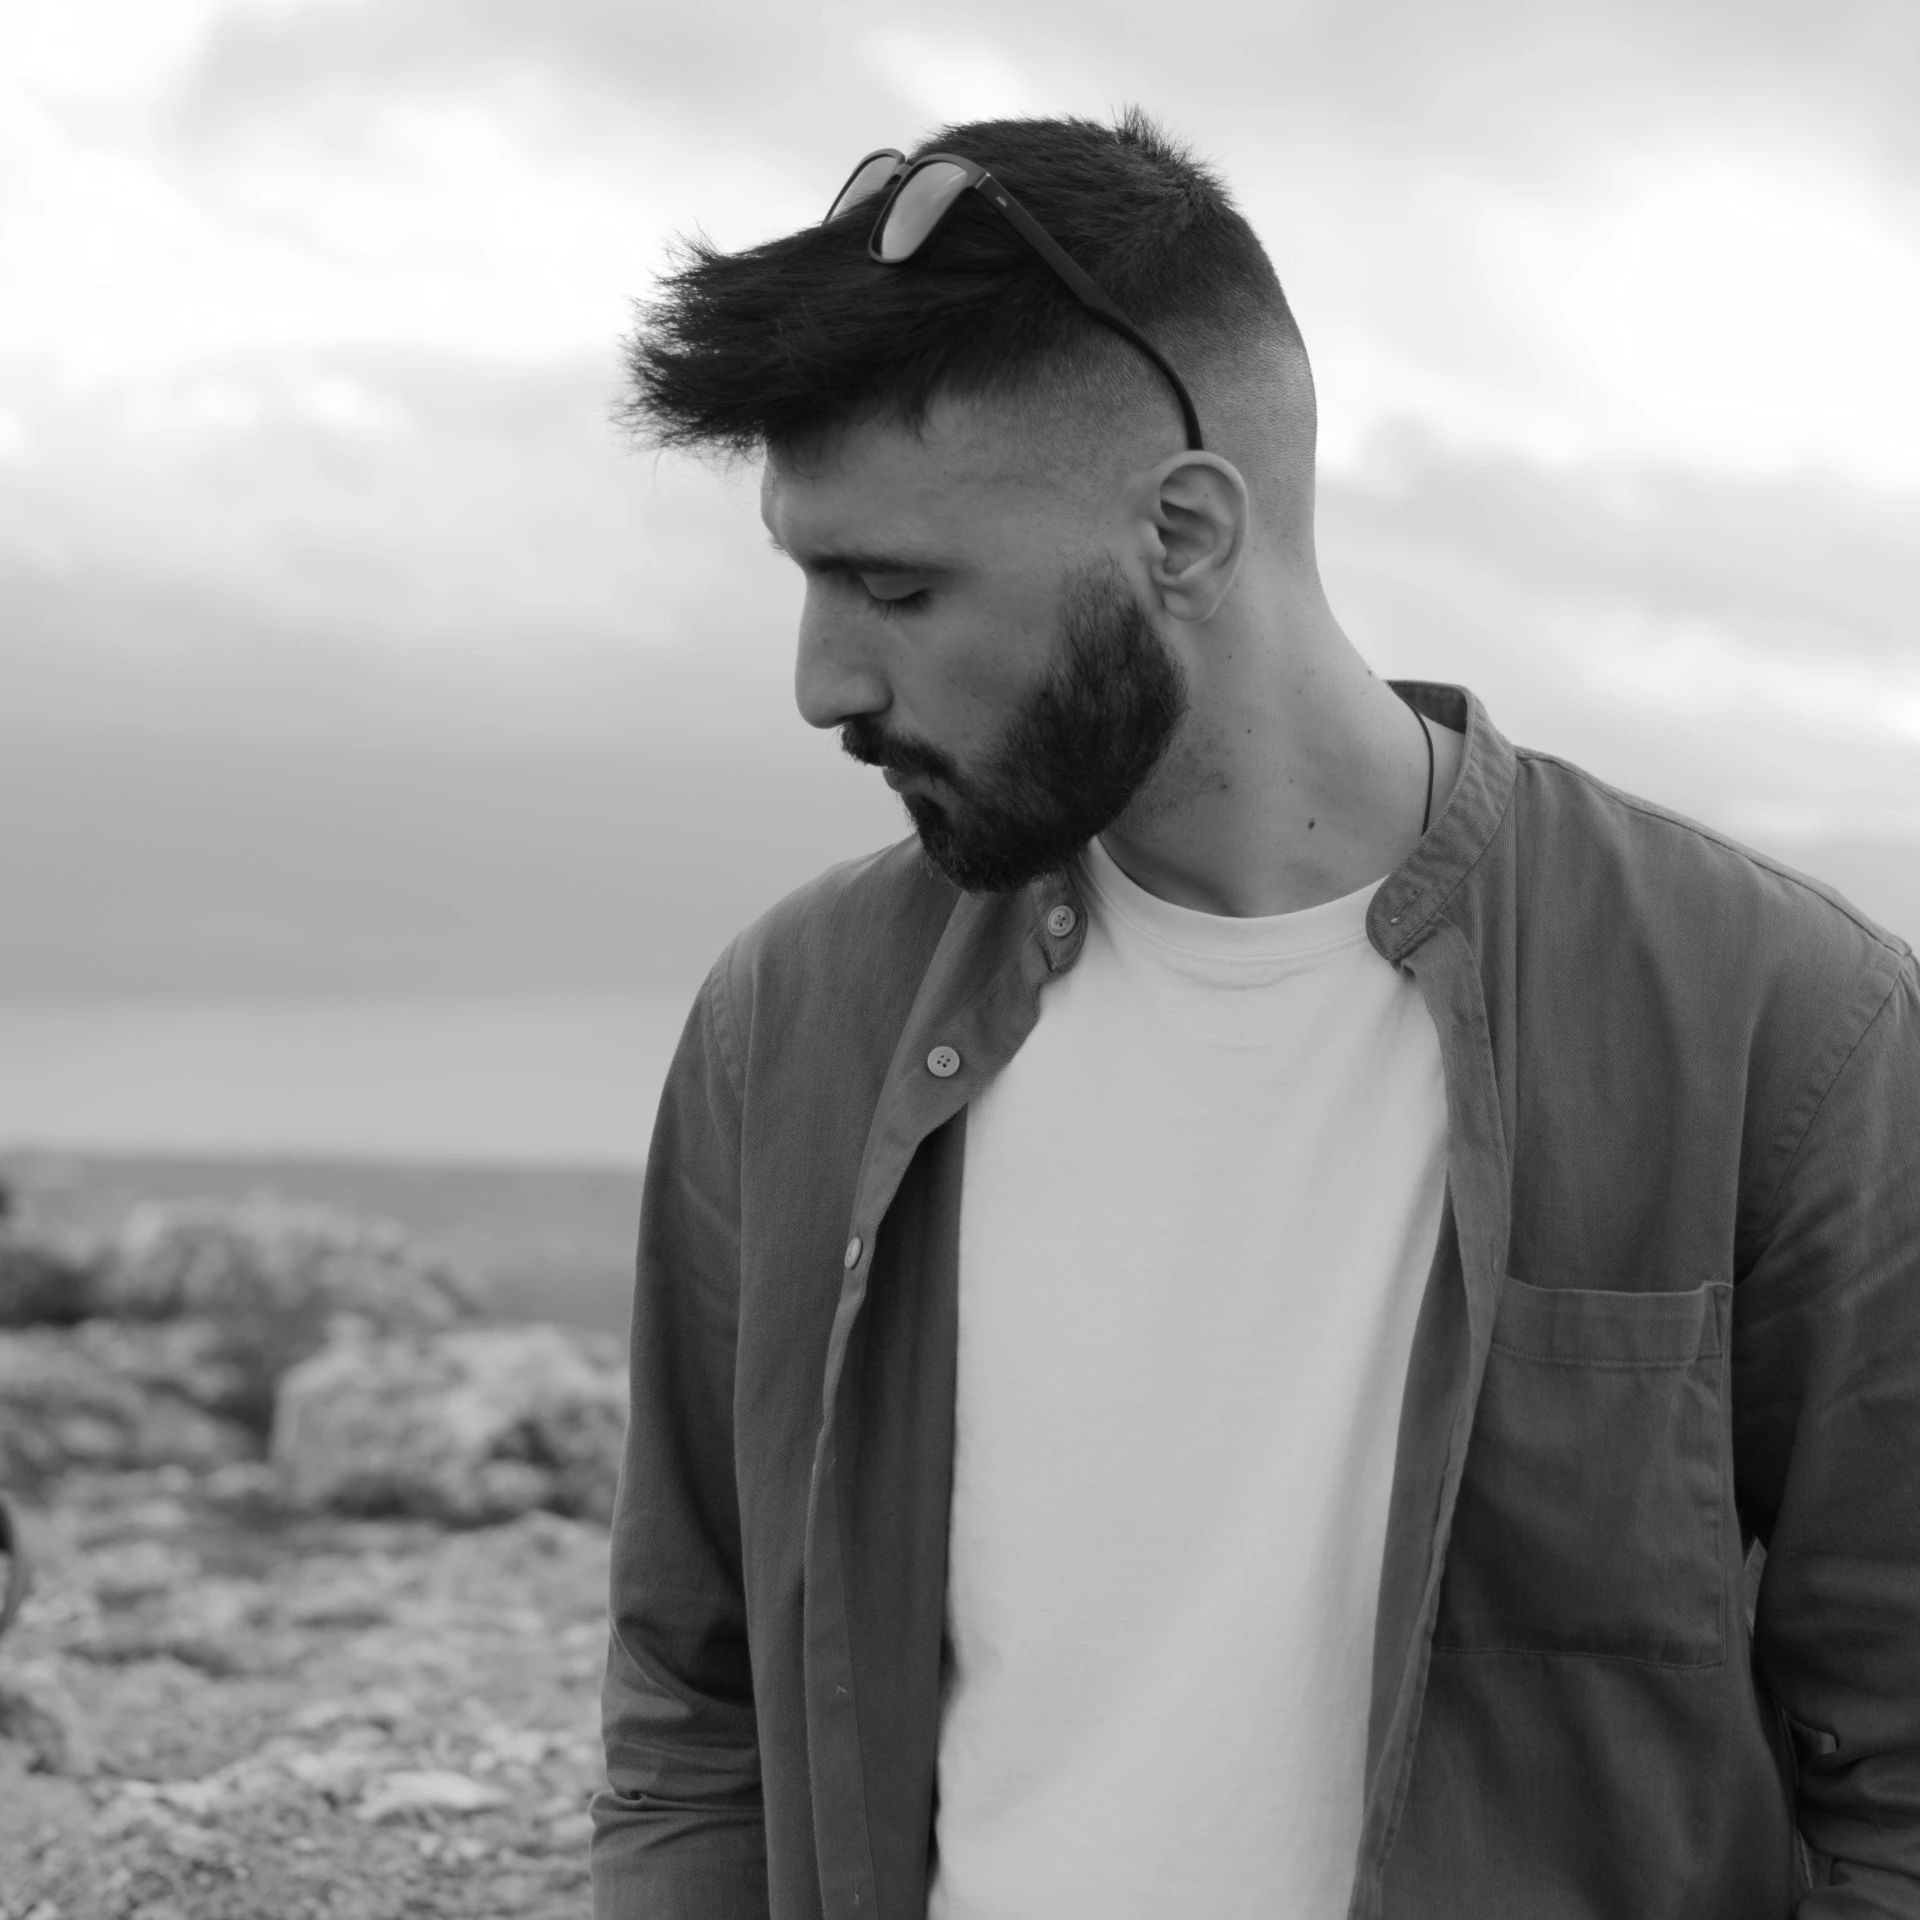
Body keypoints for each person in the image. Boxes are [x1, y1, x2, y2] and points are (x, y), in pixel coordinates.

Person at [591, 110, 1920, 1920]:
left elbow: (1897, 1755)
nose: (825, 680)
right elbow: (693, 1711)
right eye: (808, 579)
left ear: (1187, 533)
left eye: (895, 588)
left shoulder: (1776, 1019)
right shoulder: (792, 1019)